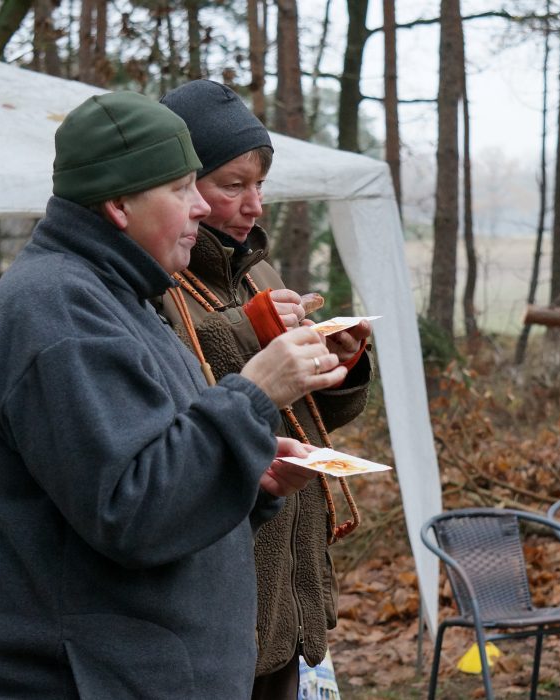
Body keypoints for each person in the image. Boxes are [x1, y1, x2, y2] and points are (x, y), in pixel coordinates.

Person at [0, 91, 346, 699]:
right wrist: (256, 392)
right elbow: (133, 512)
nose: (198, 209)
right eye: (183, 189)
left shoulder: (119, 298)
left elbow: (161, 469)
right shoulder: (59, 315)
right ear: (118, 204)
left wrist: (249, 476)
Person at [159, 79, 374, 700]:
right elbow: (187, 420)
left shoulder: (255, 267)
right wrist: (254, 339)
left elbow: (304, 410)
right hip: (224, 589)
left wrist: (339, 361)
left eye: (260, 186)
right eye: (233, 185)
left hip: (288, 585)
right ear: (180, 186)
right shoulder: (154, 286)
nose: (254, 205)